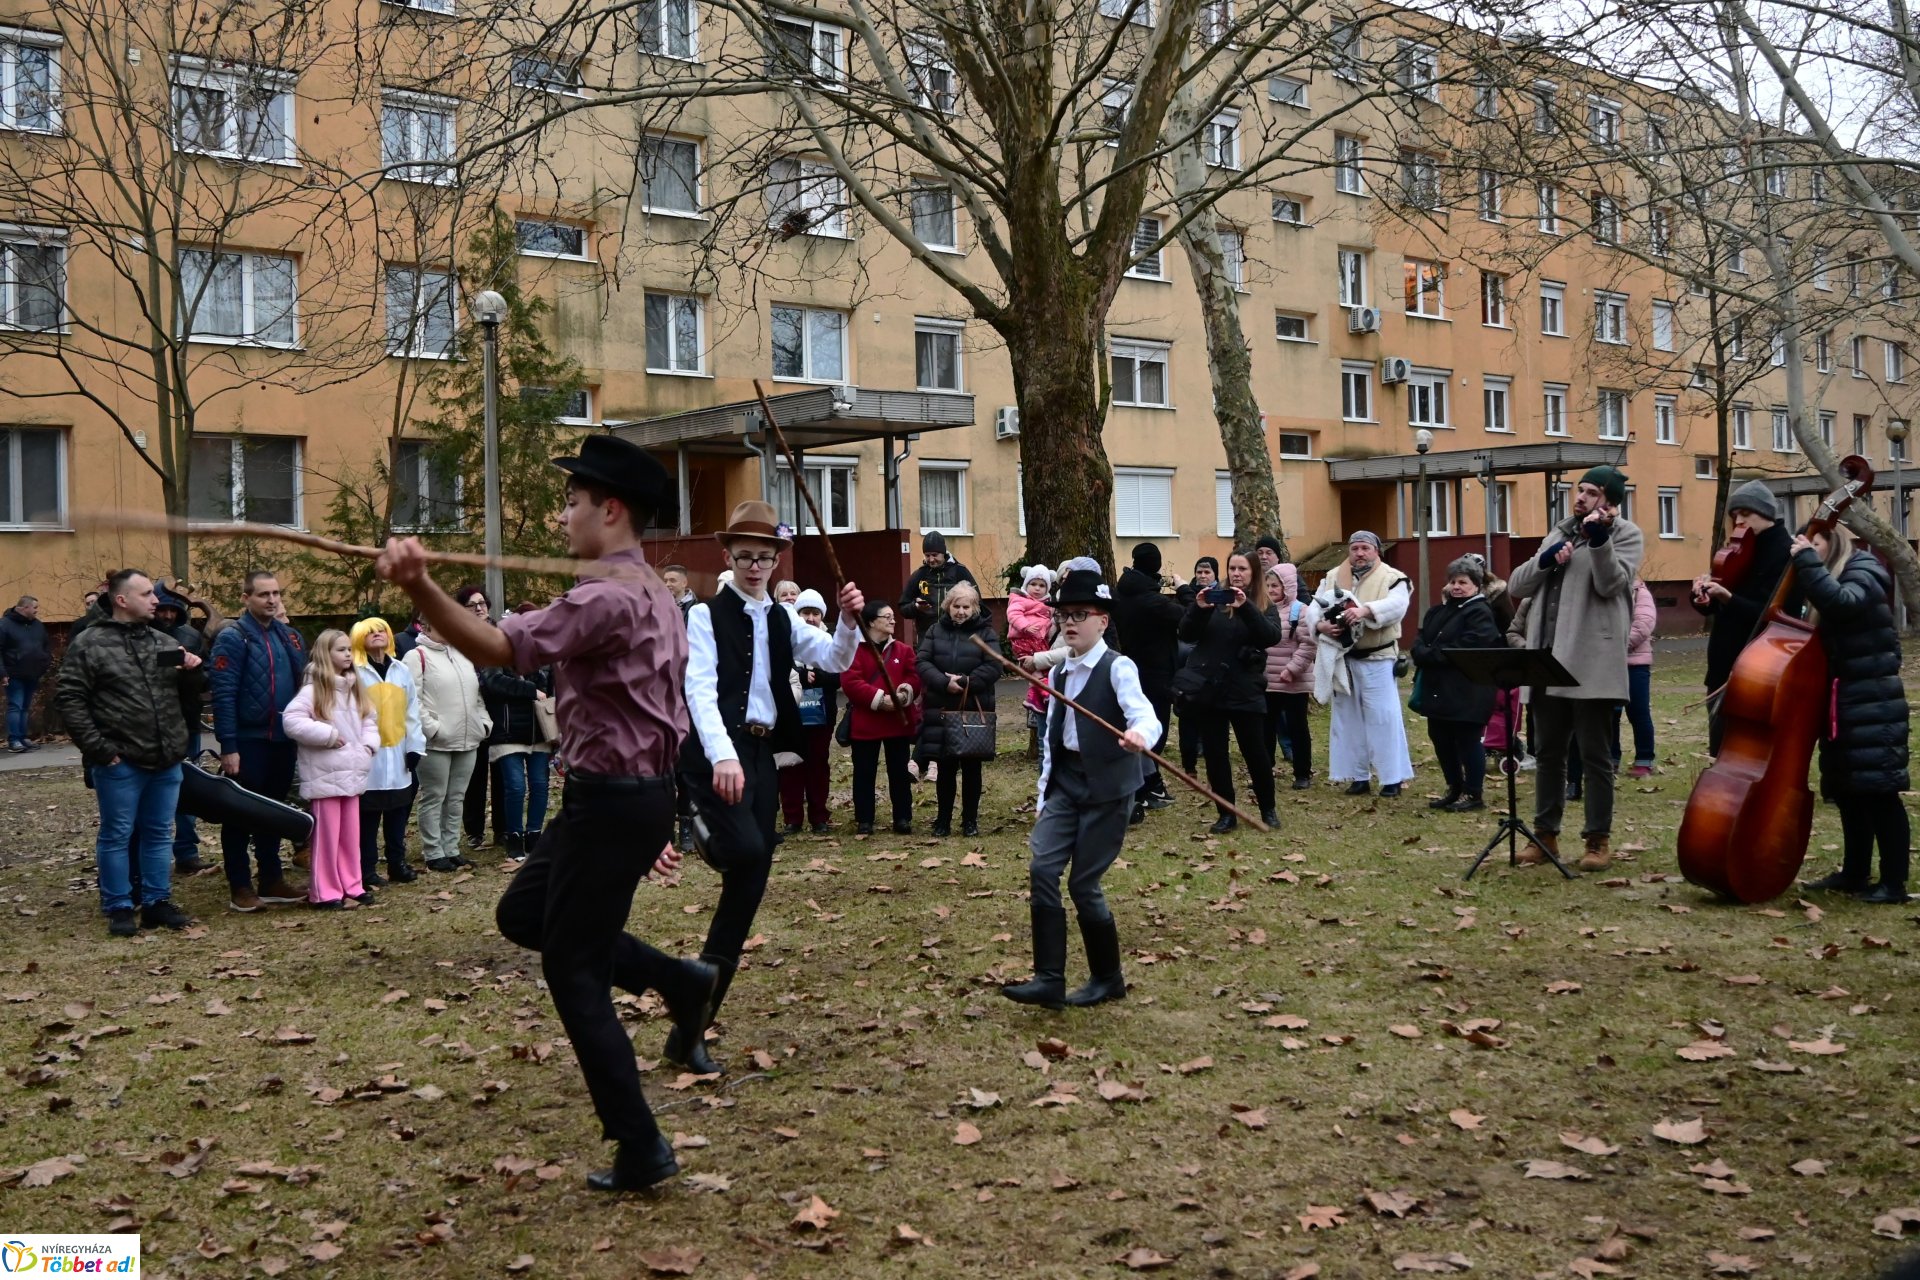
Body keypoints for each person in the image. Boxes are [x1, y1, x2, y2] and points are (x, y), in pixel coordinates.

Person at [378, 434, 725, 1194]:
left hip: (613, 802)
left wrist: (419, 587)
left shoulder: (607, 596)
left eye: (573, 502)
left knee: (574, 969)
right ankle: (677, 978)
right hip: (621, 798)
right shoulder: (651, 593)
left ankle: (642, 1146)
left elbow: (500, 648)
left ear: (612, 508)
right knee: (524, 914)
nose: (564, 516)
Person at [679, 500, 865, 1076]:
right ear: (727, 557)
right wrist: (723, 758)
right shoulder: (706, 615)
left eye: (765, 556)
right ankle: (697, 820)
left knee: (749, 885)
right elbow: (699, 691)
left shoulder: (784, 618)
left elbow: (834, 658)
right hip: (718, 753)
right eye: (745, 557)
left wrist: (849, 620)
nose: (756, 566)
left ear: (778, 559)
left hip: (764, 752)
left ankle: (692, 1026)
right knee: (748, 852)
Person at [1003, 568, 1159, 1009]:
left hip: (1108, 789)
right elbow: (1052, 740)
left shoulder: (1118, 667)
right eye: (1064, 614)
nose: (1070, 622)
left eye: (1081, 614)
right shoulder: (1058, 674)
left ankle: (1108, 978)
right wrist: (1044, 795)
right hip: (1066, 785)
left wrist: (1140, 736)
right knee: (1041, 869)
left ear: (1103, 620)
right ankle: (1048, 979)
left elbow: (1145, 715)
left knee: (1084, 885)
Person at [1506, 465, 1645, 872]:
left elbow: (1611, 585)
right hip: (1546, 659)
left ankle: (1597, 840)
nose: (1580, 497)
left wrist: (1599, 541)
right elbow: (1517, 586)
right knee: (1548, 753)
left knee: (1594, 754)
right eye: (1579, 490)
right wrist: (1547, 559)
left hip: (1590, 661)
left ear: (1611, 502)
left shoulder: (1627, 535)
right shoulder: (1560, 531)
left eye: (1591, 492)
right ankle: (1544, 837)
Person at [54, 569, 201, 936]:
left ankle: (156, 902)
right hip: (121, 761)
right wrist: (101, 750)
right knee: (117, 834)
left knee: (157, 833)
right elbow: (70, 699)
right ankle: (119, 906)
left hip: (166, 759)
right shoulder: (90, 643)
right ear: (122, 600)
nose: (156, 601)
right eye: (148, 594)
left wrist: (192, 671)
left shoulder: (161, 643)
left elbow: (186, 692)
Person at [1793, 527, 1910, 903]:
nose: (1811, 550)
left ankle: (1894, 884)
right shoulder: (1825, 575)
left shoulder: (1864, 569)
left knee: (1881, 793)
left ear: (1834, 540)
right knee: (1849, 789)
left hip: (1873, 698)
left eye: (1816, 543)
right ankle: (1855, 872)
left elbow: (1844, 603)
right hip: (1843, 699)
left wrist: (1808, 563)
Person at [208, 570, 309, 913]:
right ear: (246, 598)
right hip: (248, 741)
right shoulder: (233, 638)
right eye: (263, 594)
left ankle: (271, 879)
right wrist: (229, 745)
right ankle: (240, 885)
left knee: (272, 812)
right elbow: (223, 694)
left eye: (276, 594)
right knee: (239, 815)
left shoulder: (291, 638)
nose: (271, 600)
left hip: (283, 740)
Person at [1177, 550, 1280, 833]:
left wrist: (1245, 606)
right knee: (1215, 754)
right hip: (1210, 690)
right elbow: (1185, 634)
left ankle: (1268, 809)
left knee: (1255, 753)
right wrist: (1198, 609)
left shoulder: (1262, 603)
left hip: (1245, 689)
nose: (1236, 574)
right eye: (1232, 568)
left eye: (1243, 569)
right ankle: (1226, 813)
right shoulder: (1213, 599)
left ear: (1253, 573)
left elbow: (1270, 636)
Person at [1692, 480, 1795, 756]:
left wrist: (1728, 598)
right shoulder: (1738, 549)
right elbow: (1717, 608)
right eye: (1734, 515)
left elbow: (1773, 614)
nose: (1738, 521)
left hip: (1760, 666)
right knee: (1720, 742)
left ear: (1766, 514)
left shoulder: (1784, 552)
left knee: (1750, 748)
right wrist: (1703, 598)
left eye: (1746, 514)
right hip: (1723, 662)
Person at [281, 629, 381, 909]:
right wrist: (327, 735)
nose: (348, 654)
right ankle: (325, 890)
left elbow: (370, 720)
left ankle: (352, 884)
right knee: (326, 837)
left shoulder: (354, 688)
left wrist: (368, 746)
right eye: (340, 650)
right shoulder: (313, 689)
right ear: (326, 654)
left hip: (352, 773)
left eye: (349, 649)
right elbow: (292, 720)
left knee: (350, 835)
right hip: (325, 776)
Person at [1313, 532, 1415, 798]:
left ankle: (1391, 778)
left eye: (1365, 548)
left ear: (1376, 551)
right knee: (1348, 719)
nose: (1359, 553)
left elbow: (1397, 605)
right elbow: (1315, 606)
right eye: (1355, 548)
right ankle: (1357, 776)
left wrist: (1365, 610)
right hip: (1343, 658)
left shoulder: (1392, 578)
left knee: (1383, 718)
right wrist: (1320, 625)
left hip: (1378, 658)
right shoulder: (1335, 575)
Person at [1410, 558, 1506, 812]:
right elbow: (1419, 641)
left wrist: (1430, 654)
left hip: (1469, 690)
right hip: (1438, 688)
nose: (1456, 587)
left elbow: (1468, 647)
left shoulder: (1480, 612)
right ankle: (1454, 788)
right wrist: (1426, 652)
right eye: (1453, 581)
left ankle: (1474, 794)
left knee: (1467, 740)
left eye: (1463, 582)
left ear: (1475, 585)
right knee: (1440, 737)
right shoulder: (1438, 611)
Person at [915, 581, 1001, 838]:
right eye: (956, 605)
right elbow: (922, 661)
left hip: (975, 707)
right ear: (948, 606)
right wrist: (944, 682)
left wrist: (965, 682)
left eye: (966, 606)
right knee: (945, 768)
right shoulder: (934, 630)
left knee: (972, 769)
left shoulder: (986, 633)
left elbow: (994, 665)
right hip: (943, 706)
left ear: (974, 608)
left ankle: (970, 821)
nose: (960, 611)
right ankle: (942, 820)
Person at [405, 615, 489, 873]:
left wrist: (483, 722)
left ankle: (451, 848)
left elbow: (476, 696)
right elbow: (411, 699)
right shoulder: (416, 656)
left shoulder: (463, 655)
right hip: (436, 742)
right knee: (434, 796)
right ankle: (433, 851)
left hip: (468, 739)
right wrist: (432, 729)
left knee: (456, 797)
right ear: (427, 625)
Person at [1111, 543, 1183, 821]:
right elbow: (1185, 615)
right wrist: (1184, 590)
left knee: (1139, 730)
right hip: (1156, 672)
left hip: (1132, 667)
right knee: (1155, 733)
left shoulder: (1123, 594)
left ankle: (1149, 786)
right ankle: (1142, 787)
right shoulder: (1152, 601)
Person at [351, 618, 424, 886]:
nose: (377, 635)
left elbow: (412, 712)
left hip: (398, 754)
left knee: (397, 812)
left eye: (382, 630)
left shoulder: (401, 670)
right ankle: (366, 868)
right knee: (368, 816)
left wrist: (415, 746)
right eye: (370, 632)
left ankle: (397, 863)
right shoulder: (354, 673)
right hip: (368, 755)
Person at [840, 600, 922, 837]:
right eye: (886, 617)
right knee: (864, 772)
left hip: (897, 723)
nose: (892, 620)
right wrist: (880, 699)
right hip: (866, 723)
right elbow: (851, 682)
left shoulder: (903, 650)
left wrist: (905, 693)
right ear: (871, 622)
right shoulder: (854, 650)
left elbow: (914, 676)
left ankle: (903, 817)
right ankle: (864, 819)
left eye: (892, 616)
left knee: (899, 772)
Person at [151, 584, 217, 872]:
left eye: (172, 610)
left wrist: (195, 669)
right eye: (162, 609)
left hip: (186, 723)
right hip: (151, 727)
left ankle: (187, 852)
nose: (167, 615)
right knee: (154, 793)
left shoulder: (190, 636)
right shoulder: (142, 638)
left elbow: (206, 678)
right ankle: (153, 856)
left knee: (187, 788)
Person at [480, 653, 555, 862]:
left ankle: (534, 835)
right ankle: (513, 836)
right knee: (515, 786)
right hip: (507, 732)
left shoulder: (543, 656)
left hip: (540, 730)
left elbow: (550, 688)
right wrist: (530, 690)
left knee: (540, 785)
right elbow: (494, 683)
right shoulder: (495, 656)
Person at [779, 590, 838, 835]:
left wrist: (822, 676)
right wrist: (800, 676)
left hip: (822, 714)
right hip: (791, 714)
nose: (810, 618)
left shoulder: (830, 640)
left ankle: (819, 816)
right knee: (790, 765)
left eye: (815, 613)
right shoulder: (785, 641)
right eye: (805, 613)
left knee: (818, 764)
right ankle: (793, 817)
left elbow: (841, 672)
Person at [453, 586, 502, 854]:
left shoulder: (500, 635)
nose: (480, 608)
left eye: (483, 603)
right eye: (472, 605)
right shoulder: (458, 640)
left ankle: (503, 829)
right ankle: (474, 830)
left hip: (502, 710)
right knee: (475, 774)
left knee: (504, 773)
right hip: (471, 713)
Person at [1263, 564, 1318, 791]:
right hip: (1268, 681)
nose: (1271, 590)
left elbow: (1309, 644)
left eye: (1275, 585)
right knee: (1266, 728)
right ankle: (1265, 770)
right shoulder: (1265, 610)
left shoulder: (1301, 611)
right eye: (1267, 586)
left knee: (1297, 727)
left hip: (1293, 681)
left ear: (1288, 586)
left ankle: (1302, 772)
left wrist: (1292, 669)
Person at [1174, 555, 1219, 775]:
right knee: (1188, 711)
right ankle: (1189, 759)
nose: (1202, 576)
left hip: (1212, 662)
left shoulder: (1222, 597)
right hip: (1188, 663)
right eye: (1199, 572)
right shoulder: (1186, 595)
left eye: (1207, 572)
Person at [1007, 566, 1055, 758]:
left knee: (1042, 671)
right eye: (1033, 584)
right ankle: (1039, 692)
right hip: (1024, 639)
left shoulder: (1049, 604)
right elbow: (1013, 615)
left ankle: (1038, 694)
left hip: (1040, 641)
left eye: (1042, 585)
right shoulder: (1020, 599)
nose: (1037, 588)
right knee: (1034, 671)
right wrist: (1026, 627)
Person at [899, 531, 979, 632]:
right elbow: (903, 607)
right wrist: (915, 607)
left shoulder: (960, 571)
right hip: (927, 638)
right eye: (927, 555)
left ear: (943, 553)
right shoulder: (920, 575)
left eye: (935, 555)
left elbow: (978, 604)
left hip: (955, 636)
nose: (931, 559)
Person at [1, 594, 50, 753]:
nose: (37, 610)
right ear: (24, 608)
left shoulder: (37, 625)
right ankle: (14, 740)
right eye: (35, 607)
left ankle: (22, 737)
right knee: (16, 705)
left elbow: (45, 645)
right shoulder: (5, 625)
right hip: (13, 673)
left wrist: (44, 663)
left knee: (25, 706)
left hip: (33, 673)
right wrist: (2, 672)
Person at [1621, 578, 1658, 778]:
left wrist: (1613, 647)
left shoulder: (1639, 592)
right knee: (1608, 715)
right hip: (1608, 665)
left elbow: (1643, 625)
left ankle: (1644, 760)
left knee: (1638, 712)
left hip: (1635, 664)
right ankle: (1611, 759)